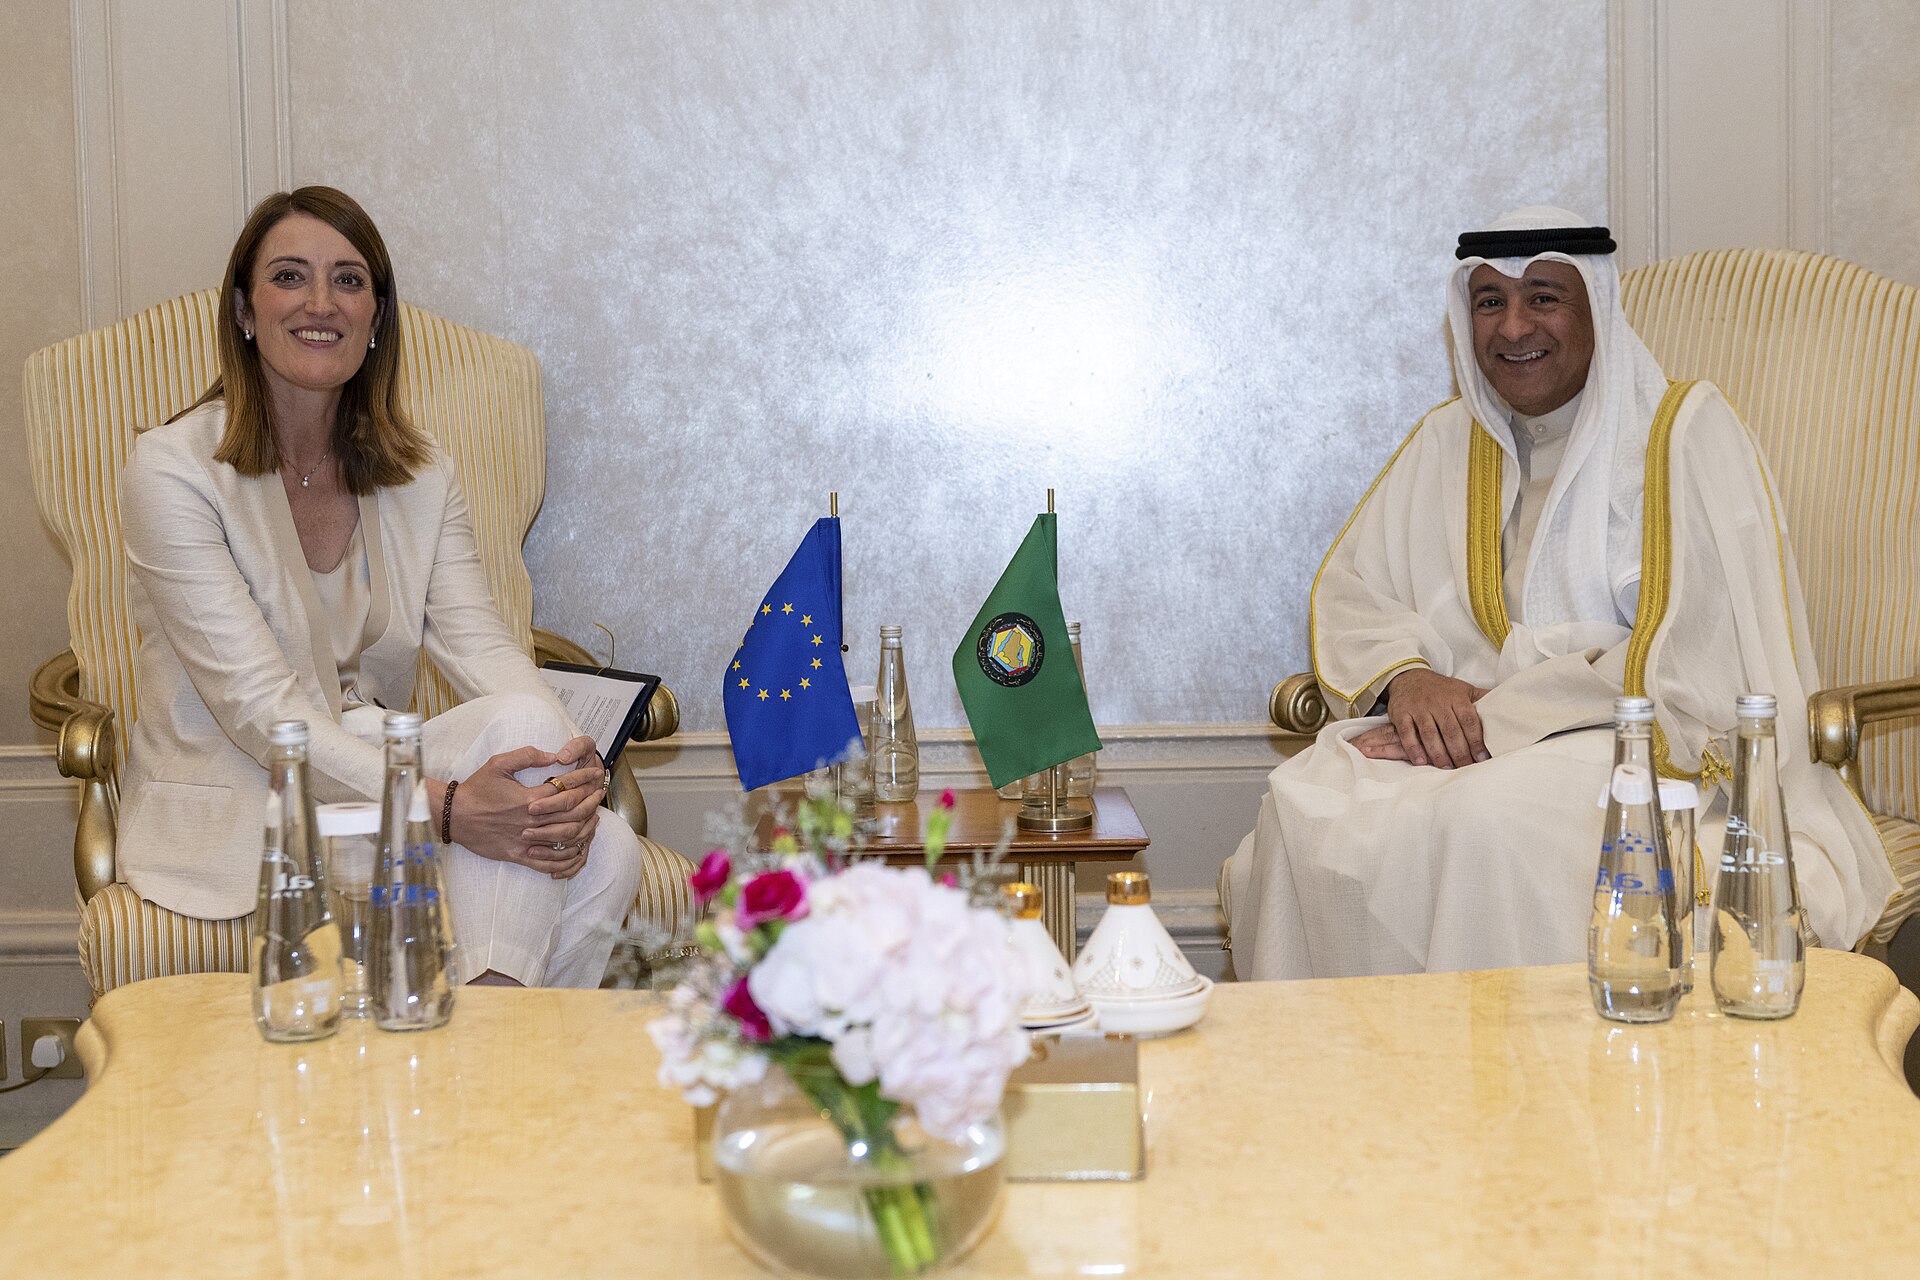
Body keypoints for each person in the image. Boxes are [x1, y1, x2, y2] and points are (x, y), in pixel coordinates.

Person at [1225, 205, 1895, 980]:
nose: (1513, 328)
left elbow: (1689, 659)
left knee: (1485, 822)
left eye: (1543, 296)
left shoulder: (1683, 433)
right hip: (1458, 748)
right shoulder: (1448, 440)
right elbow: (1357, 591)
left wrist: (1492, 718)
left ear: (1596, 311)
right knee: (1305, 806)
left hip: (1634, 748)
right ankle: (1369, 1090)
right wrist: (1407, 680)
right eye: (1490, 302)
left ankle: (1526, 1090)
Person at [118, 185, 641, 988]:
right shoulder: (173, 470)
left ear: (377, 317)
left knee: (601, 838)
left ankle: (472, 1072)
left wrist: (568, 768)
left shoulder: (421, 471)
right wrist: (450, 808)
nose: (320, 303)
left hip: (366, 784)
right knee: (595, 847)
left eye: (349, 280)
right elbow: (264, 714)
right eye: (289, 277)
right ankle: (488, 1085)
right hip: (251, 806)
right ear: (245, 311)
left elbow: (483, 651)